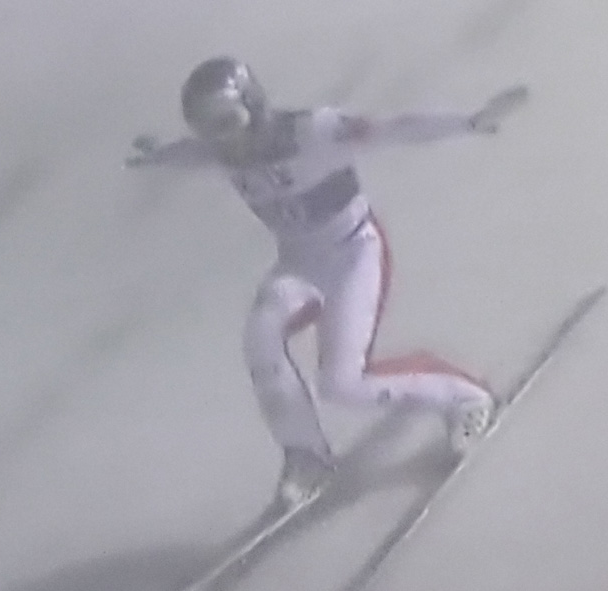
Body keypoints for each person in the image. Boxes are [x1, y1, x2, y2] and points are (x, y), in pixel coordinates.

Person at [126, 56, 528, 505]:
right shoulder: (222, 150)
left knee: (343, 385)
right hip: (298, 265)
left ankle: (465, 397)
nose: (223, 141)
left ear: (254, 107)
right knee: (260, 336)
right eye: (208, 130)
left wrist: (468, 122)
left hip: (355, 255)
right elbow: (192, 153)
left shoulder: (314, 132)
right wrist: (158, 154)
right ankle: (306, 454)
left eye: (227, 123)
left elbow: (394, 129)